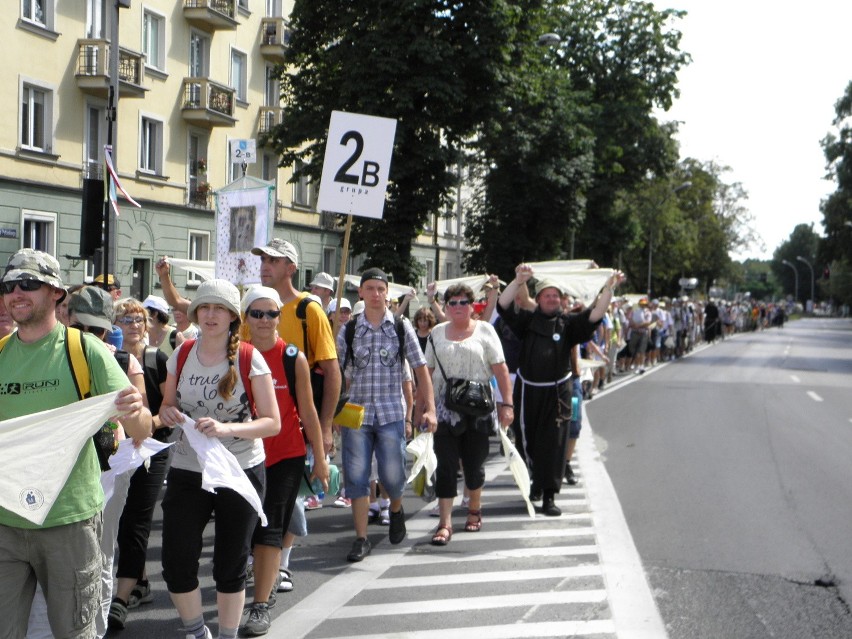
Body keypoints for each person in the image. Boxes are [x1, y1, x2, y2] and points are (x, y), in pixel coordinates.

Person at [0, 249, 151, 639]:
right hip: (6, 523)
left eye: (29, 284)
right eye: (9, 285)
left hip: (69, 522)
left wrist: (134, 410)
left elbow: (142, 430)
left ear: (55, 293)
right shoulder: (0, 356)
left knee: (74, 632)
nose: (17, 292)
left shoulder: (86, 350)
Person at [158, 279, 281, 639]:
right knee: (177, 561)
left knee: (230, 563)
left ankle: (226, 635)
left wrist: (227, 430)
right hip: (188, 466)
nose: (211, 315)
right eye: (204, 308)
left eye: (219, 309)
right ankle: (197, 633)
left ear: (232, 317)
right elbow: (168, 405)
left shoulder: (248, 357)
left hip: (239, 468)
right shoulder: (181, 354)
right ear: (195, 314)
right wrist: (167, 414)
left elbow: (271, 423)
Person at [497, 264, 623, 516]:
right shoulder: (527, 321)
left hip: (558, 394)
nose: (552, 299)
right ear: (539, 299)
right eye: (547, 295)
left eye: (556, 295)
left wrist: (608, 289)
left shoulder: (568, 324)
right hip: (528, 391)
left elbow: (596, 313)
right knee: (527, 441)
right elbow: (503, 304)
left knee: (554, 444)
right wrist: (518, 280)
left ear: (560, 300)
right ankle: (534, 484)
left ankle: (549, 497)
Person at [240, 286, 328, 636]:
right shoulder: (236, 355)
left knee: (270, 527)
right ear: (245, 317)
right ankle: (259, 579)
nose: (264, 320)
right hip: (243, 455)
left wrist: (320, 458)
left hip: (285, 455)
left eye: (271, 313)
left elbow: (307, 411)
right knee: (244, 527)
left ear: (279, 317)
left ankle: (260, 605)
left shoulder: (293, 357)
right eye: (256, 313)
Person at [337, 268, 437, 562]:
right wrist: (330, 413)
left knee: (393, 475)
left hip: (392, 411)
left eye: (381, 289)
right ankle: (361, 538)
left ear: (387, 292)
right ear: (362, 293)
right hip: (355, 413)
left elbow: (420, 369)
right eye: (370, 288)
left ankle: (395, 508)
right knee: (356, 476)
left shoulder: (401, 326)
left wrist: (427, 407)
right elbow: (334, 372)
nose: (376, 294)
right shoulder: (350, 329)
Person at [425, 284, 513, 546]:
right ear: (446, 306)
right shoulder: (436, 333)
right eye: (452, 303)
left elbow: (501, 370)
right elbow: (426, 374)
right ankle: (445, 523)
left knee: (474, 466)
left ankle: (474, 509)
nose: (458, 307)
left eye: (464, 302)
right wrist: (423, 410)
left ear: (473, 305)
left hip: (479, 411)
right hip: (445, 410)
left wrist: (506, 405)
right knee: (446, 467)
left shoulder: (485, 330)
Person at [108, 298, 171, 631]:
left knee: (135, 518)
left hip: (150, 448)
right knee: (115, 518)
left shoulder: (155, 358)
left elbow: (170, 407)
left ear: (146, 325)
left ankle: (120, 598)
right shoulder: (106, 358)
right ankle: (140, 581)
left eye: (138, 319)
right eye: (124, 318)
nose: (132, 324)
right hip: (117, 448)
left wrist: (145, 427)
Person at [251, 239, 341, 455]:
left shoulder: (309, 310)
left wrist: (325, 427)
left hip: (300, 424)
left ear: (291, 268)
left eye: (273, 260)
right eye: (263, 259)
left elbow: (332, 371)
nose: (265, 265)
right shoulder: (253, 308)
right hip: (258, 422)